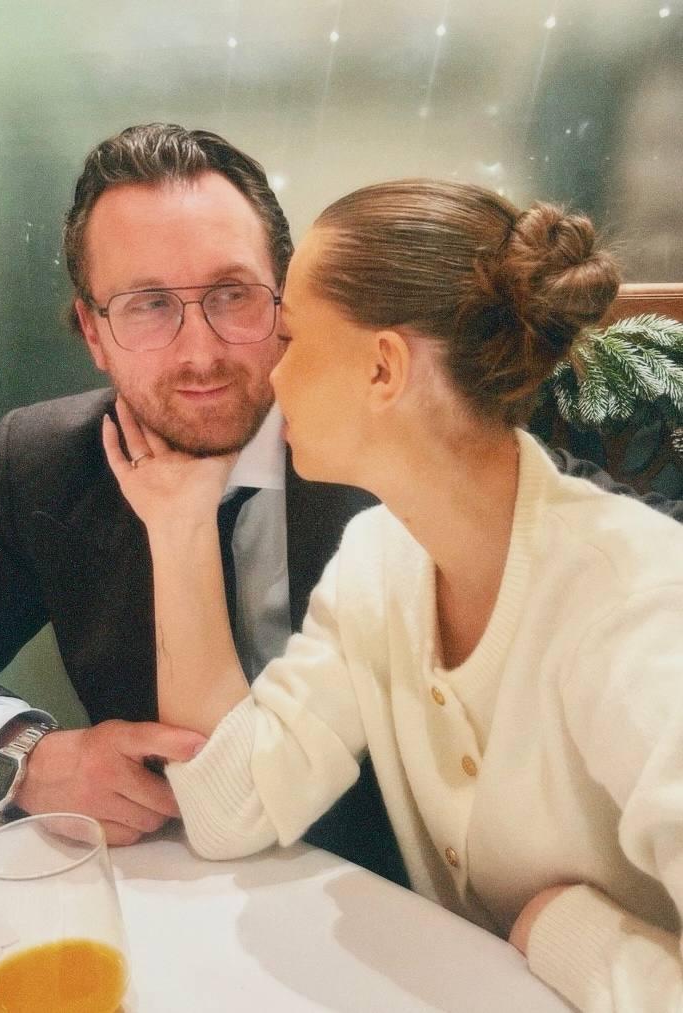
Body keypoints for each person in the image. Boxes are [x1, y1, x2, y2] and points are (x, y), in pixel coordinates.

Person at [106, 180, 683, 1011]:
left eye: (291, 336)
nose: (272, 370)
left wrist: (569, 932)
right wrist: (178, 528)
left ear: (383, 368)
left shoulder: (638, 611)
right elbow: (229, 805)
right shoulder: (378, 562)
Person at [0, 123, 406, 884]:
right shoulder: (49, 462)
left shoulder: (397, 447)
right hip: (162, 892)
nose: (199, 353)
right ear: (93, 332)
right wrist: (24, 755)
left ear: (286, 301)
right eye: (148, 304)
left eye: (232, 295)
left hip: (385, 904)